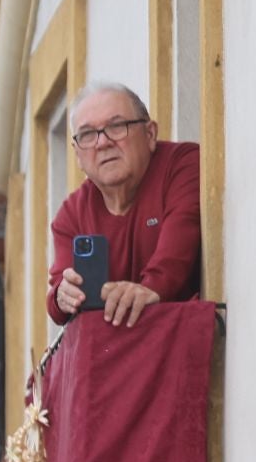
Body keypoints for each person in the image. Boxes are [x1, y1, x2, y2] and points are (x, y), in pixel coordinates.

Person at [46, 83, 201, 328]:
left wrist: (150, 289)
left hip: (180, 339)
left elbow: (175, 254)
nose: (102, 143)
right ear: (77, 156)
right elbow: (58, 296)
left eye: (117, 126)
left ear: (150, 134)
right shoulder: (71, 215)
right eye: (87, 134)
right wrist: (62, 296)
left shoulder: (182, 164)